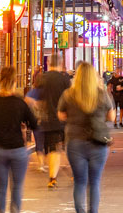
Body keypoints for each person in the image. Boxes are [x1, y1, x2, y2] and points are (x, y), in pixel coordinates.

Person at [59, 62, 114, 213]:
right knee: (94, 182)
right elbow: (111, 116)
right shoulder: (101, 94)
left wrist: (72, 118)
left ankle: (80, 211)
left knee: (80, 182)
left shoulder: (68, 94)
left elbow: (61, 115)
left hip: (75, 141)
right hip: (97, 142)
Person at [0, 66, 39, 213]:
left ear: (0, 80)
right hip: (17, 149)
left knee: (1, 187)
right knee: (17, 187)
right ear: (15, 81)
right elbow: (34, 123)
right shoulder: (20, 103)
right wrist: (23, 127)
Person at [37, 58, 73, 188]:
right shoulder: (65, 79)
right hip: (64, 117)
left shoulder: (42, 78)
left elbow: (37, 98)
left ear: (48, 63)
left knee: (52, 148)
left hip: (47, 119)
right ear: (61, 64)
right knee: (68, 146)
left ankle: (52, 177)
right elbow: (70, 98)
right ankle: (75, 173)